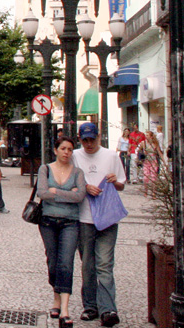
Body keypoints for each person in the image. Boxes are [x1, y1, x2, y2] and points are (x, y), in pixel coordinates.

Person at [73, 122, 126, 327]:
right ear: (80, 139)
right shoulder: (76, 155)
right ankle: (90, 306)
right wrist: (85, 187)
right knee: (88, 264)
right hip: (84, 217)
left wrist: (114, 181)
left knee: (104, 263)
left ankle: (108, 309)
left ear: (98, 137)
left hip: (107, 217)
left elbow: (121, 184)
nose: (88, 144)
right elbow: (69, 181)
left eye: (92, 139)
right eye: (85, 140)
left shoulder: (112, 156)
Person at [37, 136, 87, 327]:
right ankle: (56, 299)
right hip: (47, 221)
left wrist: (56, 192)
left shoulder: (77, 172)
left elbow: (80, 196)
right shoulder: (45, 169)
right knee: (52, 261)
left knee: (66, 262)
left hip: (70, 222)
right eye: (63, 148)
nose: (67, 152)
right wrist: (69, 194)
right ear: (56, 150)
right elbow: (42, 192)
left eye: (70, 149)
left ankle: (64, 310)